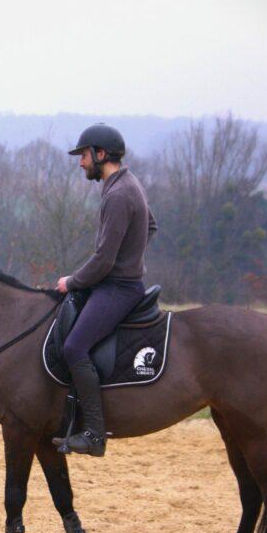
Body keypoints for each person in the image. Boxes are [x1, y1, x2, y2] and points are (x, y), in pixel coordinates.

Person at [51, 124, 157, 456]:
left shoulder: (119, 193)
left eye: (83, 155)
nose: (80, 163)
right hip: (118, 281)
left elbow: (103, 260)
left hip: (118, 289)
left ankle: (94, 435)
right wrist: (131, 256)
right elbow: (149, 226)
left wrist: (72, 281)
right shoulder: (125, 184)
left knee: (74, 348)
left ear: (100, 154)